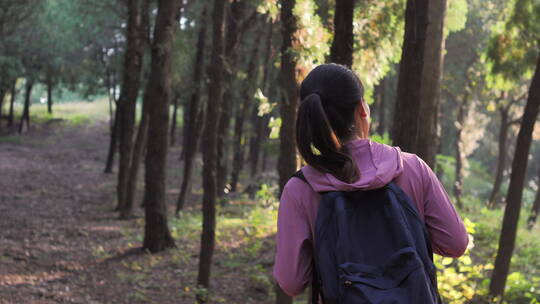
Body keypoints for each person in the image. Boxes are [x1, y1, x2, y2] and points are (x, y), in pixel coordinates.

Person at [273, 63, 469, 298]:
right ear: (362, 109)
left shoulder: (301, 189)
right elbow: (456, 243)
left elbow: (292, 283)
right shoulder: (411, 168)